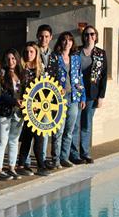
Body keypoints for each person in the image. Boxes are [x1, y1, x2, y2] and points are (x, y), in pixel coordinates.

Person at [48, 32, 86, 169]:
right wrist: (57, 88)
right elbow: (49, 77)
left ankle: (65, 157)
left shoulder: (76, 58)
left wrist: (83, 97)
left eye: (70, 40)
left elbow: (80, 78)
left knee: (69, 131)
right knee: (58, 130)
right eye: (64, 40)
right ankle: (56, 159)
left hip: (74, 98)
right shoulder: (54, 58)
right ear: (60, 42)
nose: (67, 42)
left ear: (72, 43)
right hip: (59, 99)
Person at [70, 25, 107, 164]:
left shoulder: (101, 54)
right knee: (75, 125)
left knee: (86, 125)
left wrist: (101, 97)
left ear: (96, 36)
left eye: (92, 34)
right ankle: (73, 154)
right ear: (83, 36)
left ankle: (85, 153)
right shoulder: (76, 52)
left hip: (92, 95)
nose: (89, 37)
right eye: (86, 34)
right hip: (77, 93)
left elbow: (103, 76)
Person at [17, 42, 51, 176]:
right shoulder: (21, 69)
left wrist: (40, 104)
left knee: (40, 137)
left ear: (36, 53)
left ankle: (40, 165)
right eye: (26, 52)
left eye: (31, 52)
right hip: (25, 109)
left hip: (40, 108)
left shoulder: (41, 70)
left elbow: (46, 89)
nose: (28, 54)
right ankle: (22, 164)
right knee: (27, 137)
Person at [0, 48, 25, 180]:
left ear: (17, 59)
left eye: (13, 58)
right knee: (2, 141)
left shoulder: (22, 74)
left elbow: (26, 91)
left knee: (14, 140)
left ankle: (11, 167)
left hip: (18, 113)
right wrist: (14, 101)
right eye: (8, 59)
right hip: (4, 112)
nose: (11, 61)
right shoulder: (0, 74)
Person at [36, 24, 54, 170]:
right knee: (31, 130)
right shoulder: (32, 52)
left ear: (50, 38)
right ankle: (28, 160)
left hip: (48, 98)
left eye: (46, 36)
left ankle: (42, 158)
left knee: (45, 128)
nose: (44, 39)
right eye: (41, 36)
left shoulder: (53, 54)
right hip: (34, 96)